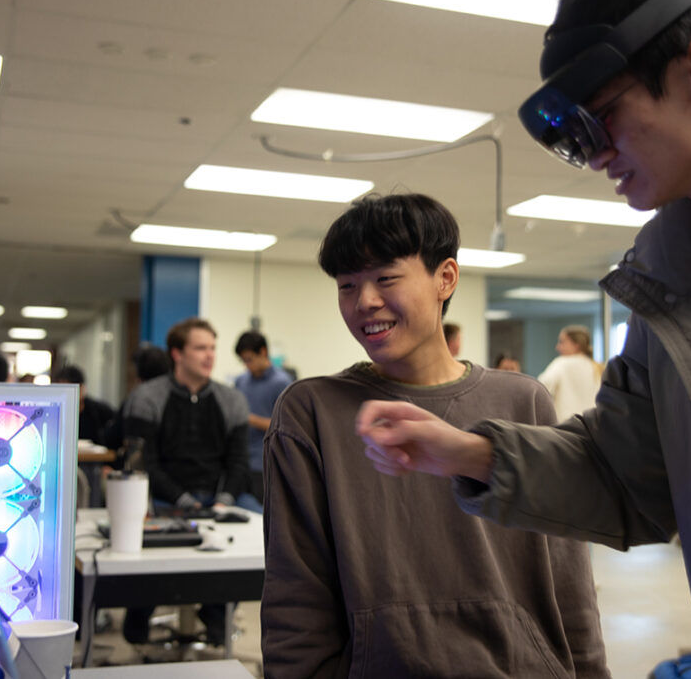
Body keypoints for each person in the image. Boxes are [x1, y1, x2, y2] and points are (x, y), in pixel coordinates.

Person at [357, 0, 691, 677]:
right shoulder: (673, 291)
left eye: (602, 116)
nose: (598, 154)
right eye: (577, 139)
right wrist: (467, 452)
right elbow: (627, 475)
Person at [262, 193, 608, 678]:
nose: (364, 302)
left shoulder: (523, 403)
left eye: (385, 278)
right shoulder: (311, 412)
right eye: (346, 286)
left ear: (445, 278)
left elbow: (570, 581)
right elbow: (295, 597)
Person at [121, 317, 253, 646]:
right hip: (165, 499)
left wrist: (224, 499)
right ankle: (140, 614)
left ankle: (216, 609)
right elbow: (143, 464)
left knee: (257, 533)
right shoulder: (148, 398)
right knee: (149, 549)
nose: (209, 356)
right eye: (200, 348)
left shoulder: (231, 399)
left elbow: (238, 462)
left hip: (215, 499)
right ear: (177, 353)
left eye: (212, 348)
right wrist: (183, 500)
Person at [233, 331, 292, 506]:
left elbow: (285, 426)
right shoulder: (241, 381)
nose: (246, 365)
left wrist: (248, 418)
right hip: (242, 462)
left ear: (263, 352)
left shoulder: (282, 382)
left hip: (265, 463)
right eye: (243, 360)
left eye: (249, 359)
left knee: (264, 515)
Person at [537, 325, 603, 421]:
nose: (557, 347)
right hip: (592, 426)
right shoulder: (597, 367)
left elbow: (540, 389)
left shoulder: (562, 363)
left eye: (562, 342)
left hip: (566, 426)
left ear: (577, 345)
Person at [55, 364, 115, 447]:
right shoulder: (55, 413)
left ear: (82, 388)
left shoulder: (98, 410)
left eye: (69, 390)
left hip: (93, 458)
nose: (66, 395)